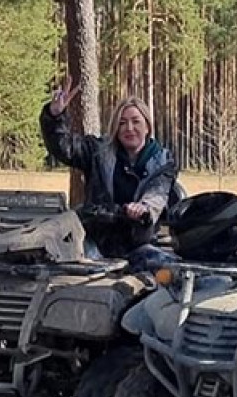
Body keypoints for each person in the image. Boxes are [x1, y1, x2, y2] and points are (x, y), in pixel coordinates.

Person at [39, 77, 178, 262]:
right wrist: (55, 117)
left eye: (136, 121)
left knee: (165, 268)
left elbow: (158, 193)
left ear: (147, 127)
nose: (129, 128)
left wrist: (143, 208)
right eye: (122, 123)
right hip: (95, 241)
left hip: (139, 243)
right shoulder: (98, 151)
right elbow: (65, 148)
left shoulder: (163, 161)